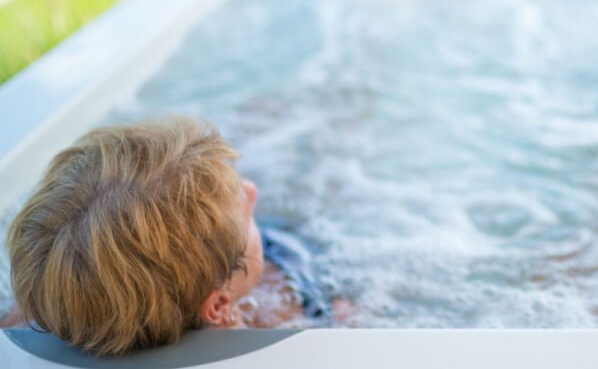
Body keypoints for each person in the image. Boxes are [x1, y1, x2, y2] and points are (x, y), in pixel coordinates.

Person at [1, 118, 348, 356]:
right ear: (218, 307)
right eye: (246, 211)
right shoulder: (279, 317)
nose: (252, 190)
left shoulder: (46, 306)